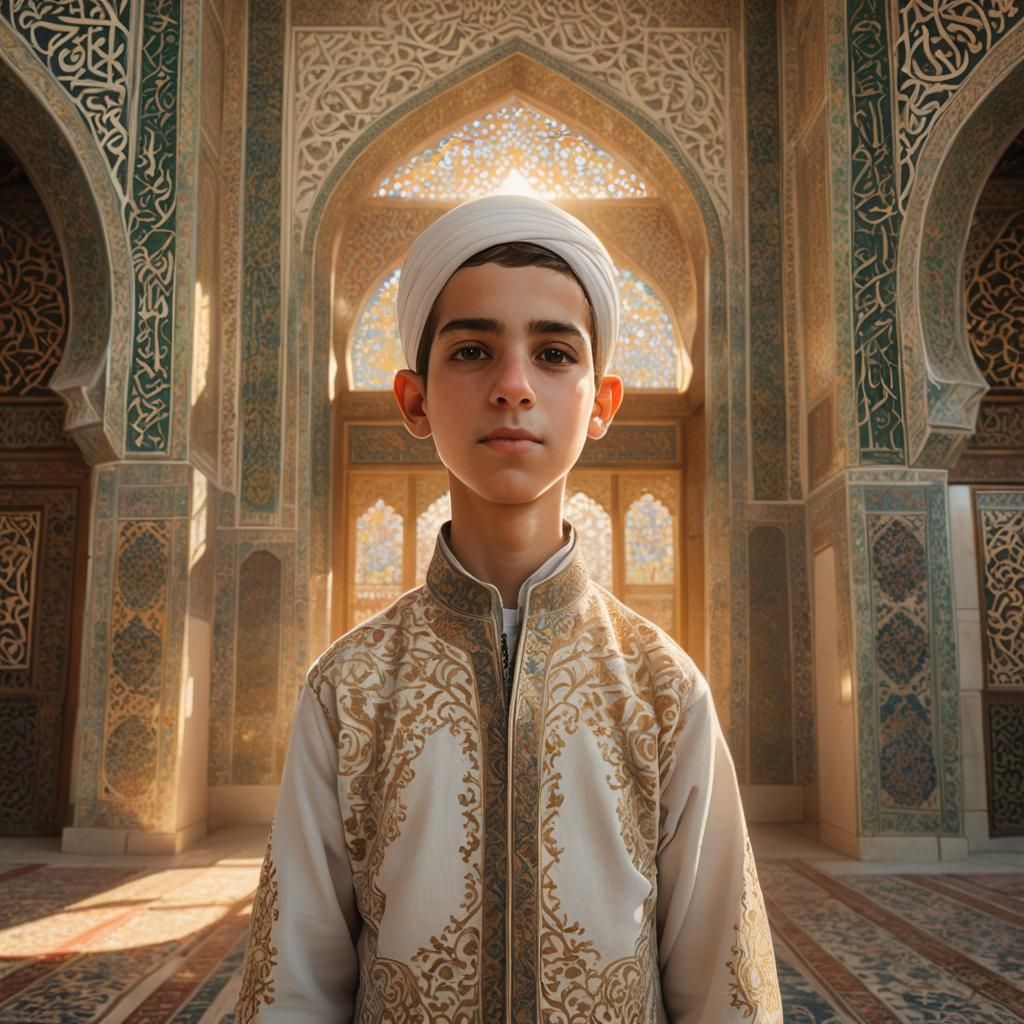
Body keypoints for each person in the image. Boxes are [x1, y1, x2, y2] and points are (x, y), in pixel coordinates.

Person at [236, 194, 781, 1023]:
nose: (514, 386)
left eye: (555, 353)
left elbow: (721, 979)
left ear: (601, 403)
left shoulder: (662, 688)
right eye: (473, 351)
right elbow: (296, 983)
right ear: (414, 401)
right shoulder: (348, 690)